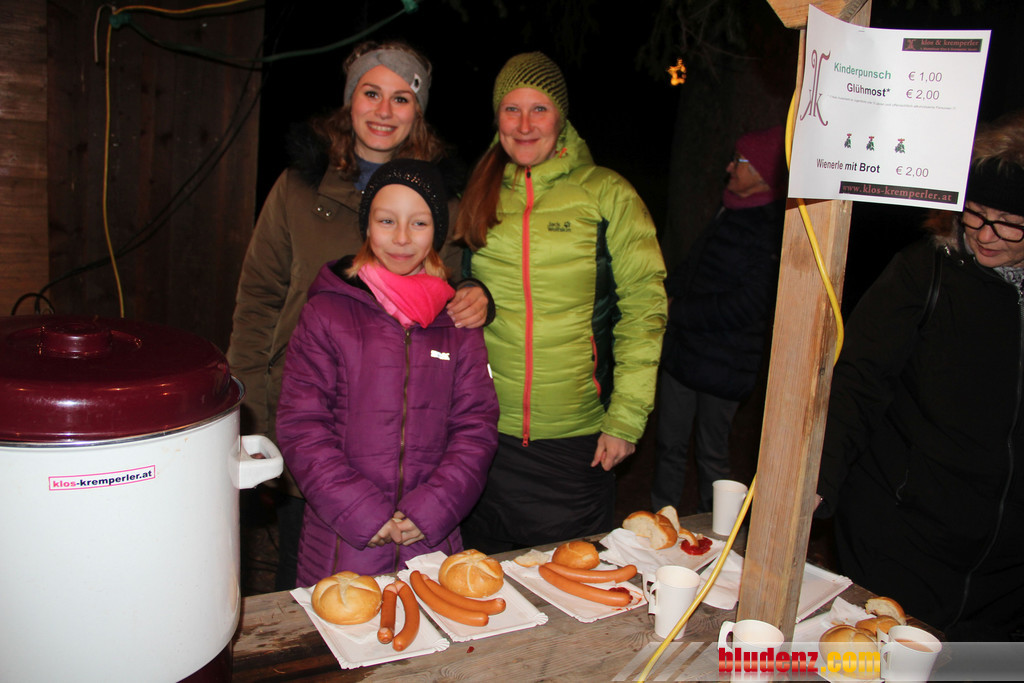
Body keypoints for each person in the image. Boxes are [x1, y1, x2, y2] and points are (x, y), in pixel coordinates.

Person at [226, 41, 490, 589]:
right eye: (371, 93)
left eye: (401, 98)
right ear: (350, 101)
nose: (384, 111)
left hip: (411, 442)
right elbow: (257, 302)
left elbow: (449, 285)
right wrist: (248, 417)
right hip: (311, 425)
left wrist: (476, 293)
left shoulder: (442, 199)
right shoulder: (297, 189)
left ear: (418, 112)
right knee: (310, 575)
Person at [815, 110, 1024, 641]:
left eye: (1009, 221)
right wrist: (816, 483)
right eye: (975, 213)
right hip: (904, 537)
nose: (986, 234)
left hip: (1007, 572)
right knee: (878, 662)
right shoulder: (924, 271)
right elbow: (858, 381)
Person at [456, 52, 667, 554]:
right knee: (483, 583)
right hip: (485, 437)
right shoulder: (479, 192)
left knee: (569, 586)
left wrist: (626, 419)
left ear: (561, 117)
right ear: (497, 118)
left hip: (576, 444)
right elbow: (446, 279)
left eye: (539, 109)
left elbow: (644, 309)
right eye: (511, 109)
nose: (524, 125)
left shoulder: (606, 193)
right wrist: (470, 289)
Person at [274, 159, 499, 582]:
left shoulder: (456, 321)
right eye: (386, 220)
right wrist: (360, 511)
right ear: (367, 225)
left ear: (437, 231)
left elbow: (476, 427)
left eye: (419, 223)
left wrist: (433, 508)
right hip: (343, 540)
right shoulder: (327, 313)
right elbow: (302, 424)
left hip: (431, 539)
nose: (401, 238)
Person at [650, 126, 787, 514]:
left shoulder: (772, 227)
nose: (729, 167)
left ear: (762, 171)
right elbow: (695, 268)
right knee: (669, 446)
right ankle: (659, 524)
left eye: (739, 161)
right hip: (685, 354)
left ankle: (717, 533)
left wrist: (678, 311)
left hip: (726, 363)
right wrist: (662, 293)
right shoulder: (729, 208)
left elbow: (749, 304)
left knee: (712, 456)